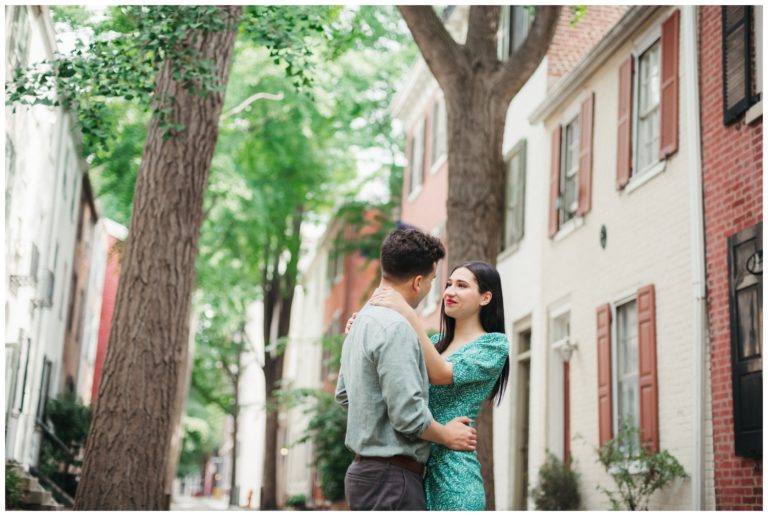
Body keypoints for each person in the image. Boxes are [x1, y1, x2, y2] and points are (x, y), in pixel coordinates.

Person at [334, 228, 478, 511]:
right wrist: (448, 435)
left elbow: (344, 395)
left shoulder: (360, 322)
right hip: (392, 481)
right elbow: (408, 416)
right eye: (433, 281)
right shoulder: (396, 328)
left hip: (364, 476)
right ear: (418, 282)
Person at [355, 260, 510, 510]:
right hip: (414, 471)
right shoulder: (435, 343)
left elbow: (440, 374)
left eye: (461, 285)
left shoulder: (493, 345)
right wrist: (361, 331)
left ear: (485, 298)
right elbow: (396, 377)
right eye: (448, 284)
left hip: (455, 476)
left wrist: (408, 313)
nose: (449, 291)